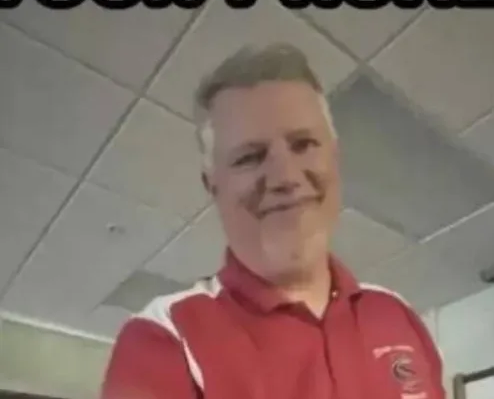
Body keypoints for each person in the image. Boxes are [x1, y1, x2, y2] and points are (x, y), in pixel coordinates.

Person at [101, 43, 446, 399]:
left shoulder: (396, 313)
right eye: (249, 157)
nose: (286, 176)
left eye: (304, 144)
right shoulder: (163, 337)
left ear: (335, 157)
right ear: (212, 185)